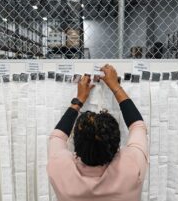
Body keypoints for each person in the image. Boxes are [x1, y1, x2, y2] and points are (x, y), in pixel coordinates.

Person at [47, 64, 148, 201]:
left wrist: (79, 100)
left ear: (75, 144)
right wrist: (115, 86)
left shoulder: (59, 168)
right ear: (117, 144)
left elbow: (58, 136)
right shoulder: (131, 166)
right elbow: (137, 125)